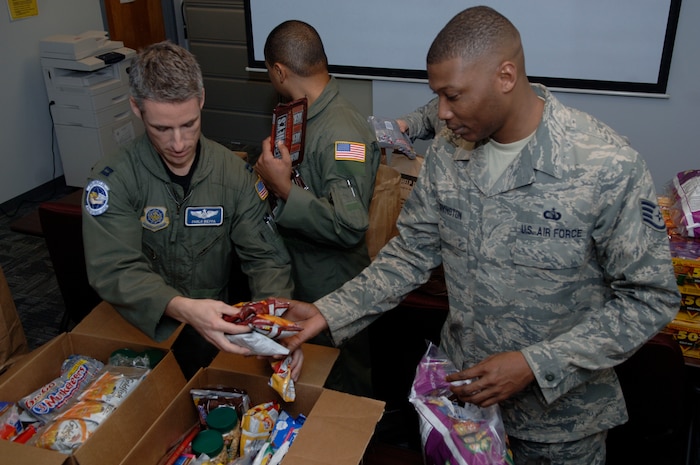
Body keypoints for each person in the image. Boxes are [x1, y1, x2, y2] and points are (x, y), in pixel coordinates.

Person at [278, 6, 680, 465]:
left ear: (505, 76)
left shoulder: (605, 165)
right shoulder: (451, 153)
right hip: (463, 408)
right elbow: (408, 256)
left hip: (560, 427)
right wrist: (326, 312)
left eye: (453, 96)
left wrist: (535, 364)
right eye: (437, 97)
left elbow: (649, 299)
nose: (442, 114)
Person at [82, 41, 297, 379]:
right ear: (136, 109)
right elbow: (114, 269)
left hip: (216, 335)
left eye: (189, 124)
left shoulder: (233, 175)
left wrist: (273, 326)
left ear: (202, 100)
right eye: (162, 129)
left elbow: (267, 259)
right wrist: (181, 307)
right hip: (142, 331)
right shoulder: (113, 180)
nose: (178, 143)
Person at [253, 20, 382, 396]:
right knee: (308, 377)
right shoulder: (302, 113)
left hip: (332, 284)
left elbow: (350, 224)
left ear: (278, 71)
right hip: (303, 270)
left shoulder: (340, 133)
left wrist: (284, 190)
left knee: (338, 385)